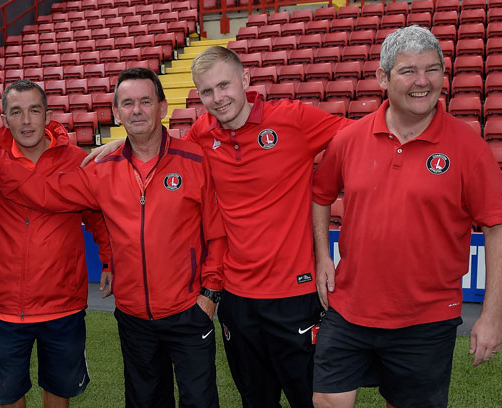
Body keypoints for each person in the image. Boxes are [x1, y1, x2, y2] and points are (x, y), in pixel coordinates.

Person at [85, 46, 352, 408]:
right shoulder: (202, 134)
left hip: (294, 292)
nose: (218, 98)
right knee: (256, 399)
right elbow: (161, 147)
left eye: (224, 85)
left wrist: (324, 251)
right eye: (207, 91)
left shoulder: (293, 118)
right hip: (237, 297)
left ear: (244, 80)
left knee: (310, 399)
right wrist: (128, 141)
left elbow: (361, 138)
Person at [0, 67, 227, 408]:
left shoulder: (194, 159)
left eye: (144, 102)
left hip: (188, 310)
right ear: (116, 112)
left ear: (163, 107)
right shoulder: (100, 168)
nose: (136, 110)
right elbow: (46, 193)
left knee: (199, 401)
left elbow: (217, 233)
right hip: (133, 316)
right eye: (127, 103)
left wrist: (210, 295)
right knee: (145, 401)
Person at [311, 25, 502, 408]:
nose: (422, 81)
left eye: (432, 69)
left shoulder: (470, 149)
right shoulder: (349, 139)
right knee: (326, 399)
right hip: (349, 308)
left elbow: (499, 229)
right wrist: (323, 254)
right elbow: (319, 195)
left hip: (426, 320)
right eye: (408, 71)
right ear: (383, 78)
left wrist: (492, 317)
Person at [0, 80, 112, 408]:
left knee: (58, 391)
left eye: (34, 111)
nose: (26, 121)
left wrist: (109, 261)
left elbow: (96, 216)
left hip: (62, 303)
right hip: (7, 305)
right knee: (9, 395)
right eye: (16, 112)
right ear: (4, 118)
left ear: (47, 114)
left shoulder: (75, 160)